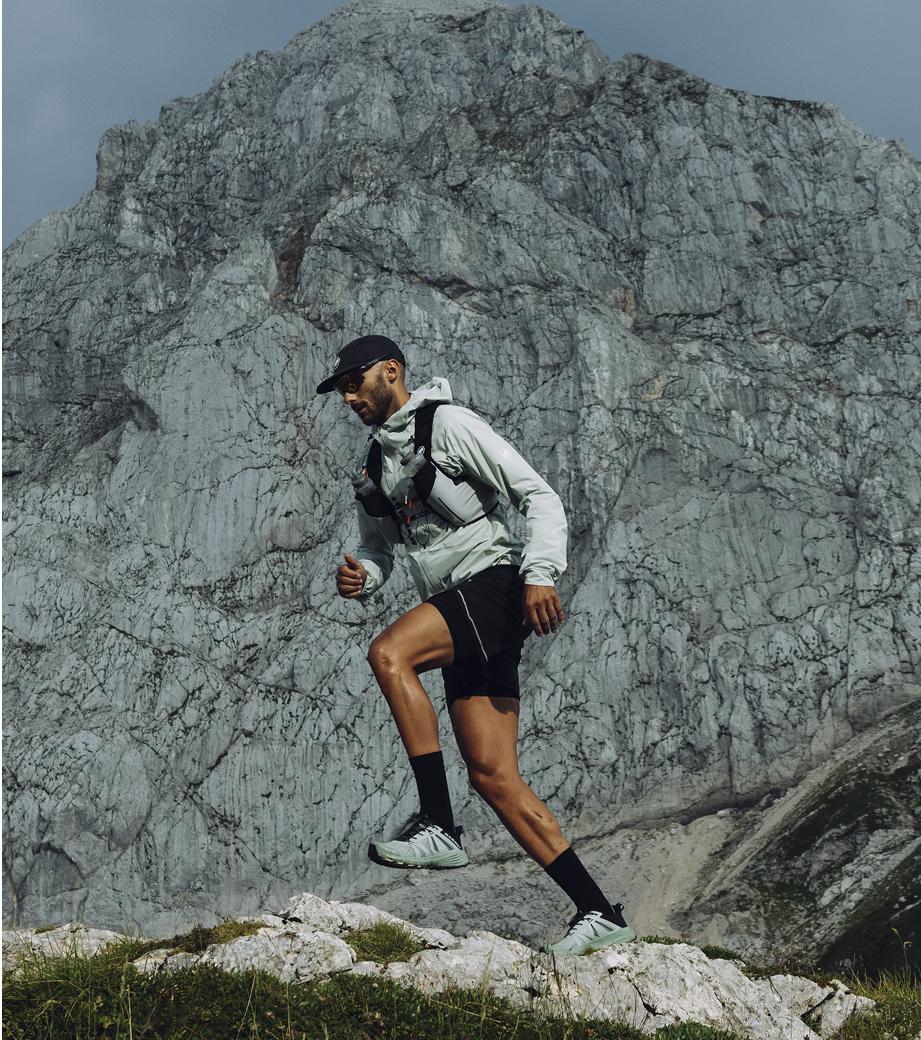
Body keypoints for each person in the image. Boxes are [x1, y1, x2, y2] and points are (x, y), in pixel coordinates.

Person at [316, 333, 636, 955]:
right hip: (461, 609)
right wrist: (364, 576)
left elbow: (537, 494)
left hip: (492, 586)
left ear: (392, 371)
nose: (349, 396)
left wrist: (541, 573)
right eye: (341, 389)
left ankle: (438, 823)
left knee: (389, 653)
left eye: (356, 381)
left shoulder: (450, 424)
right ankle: (598, 912)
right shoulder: (374, 463)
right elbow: (382, 551)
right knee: (494, 775)